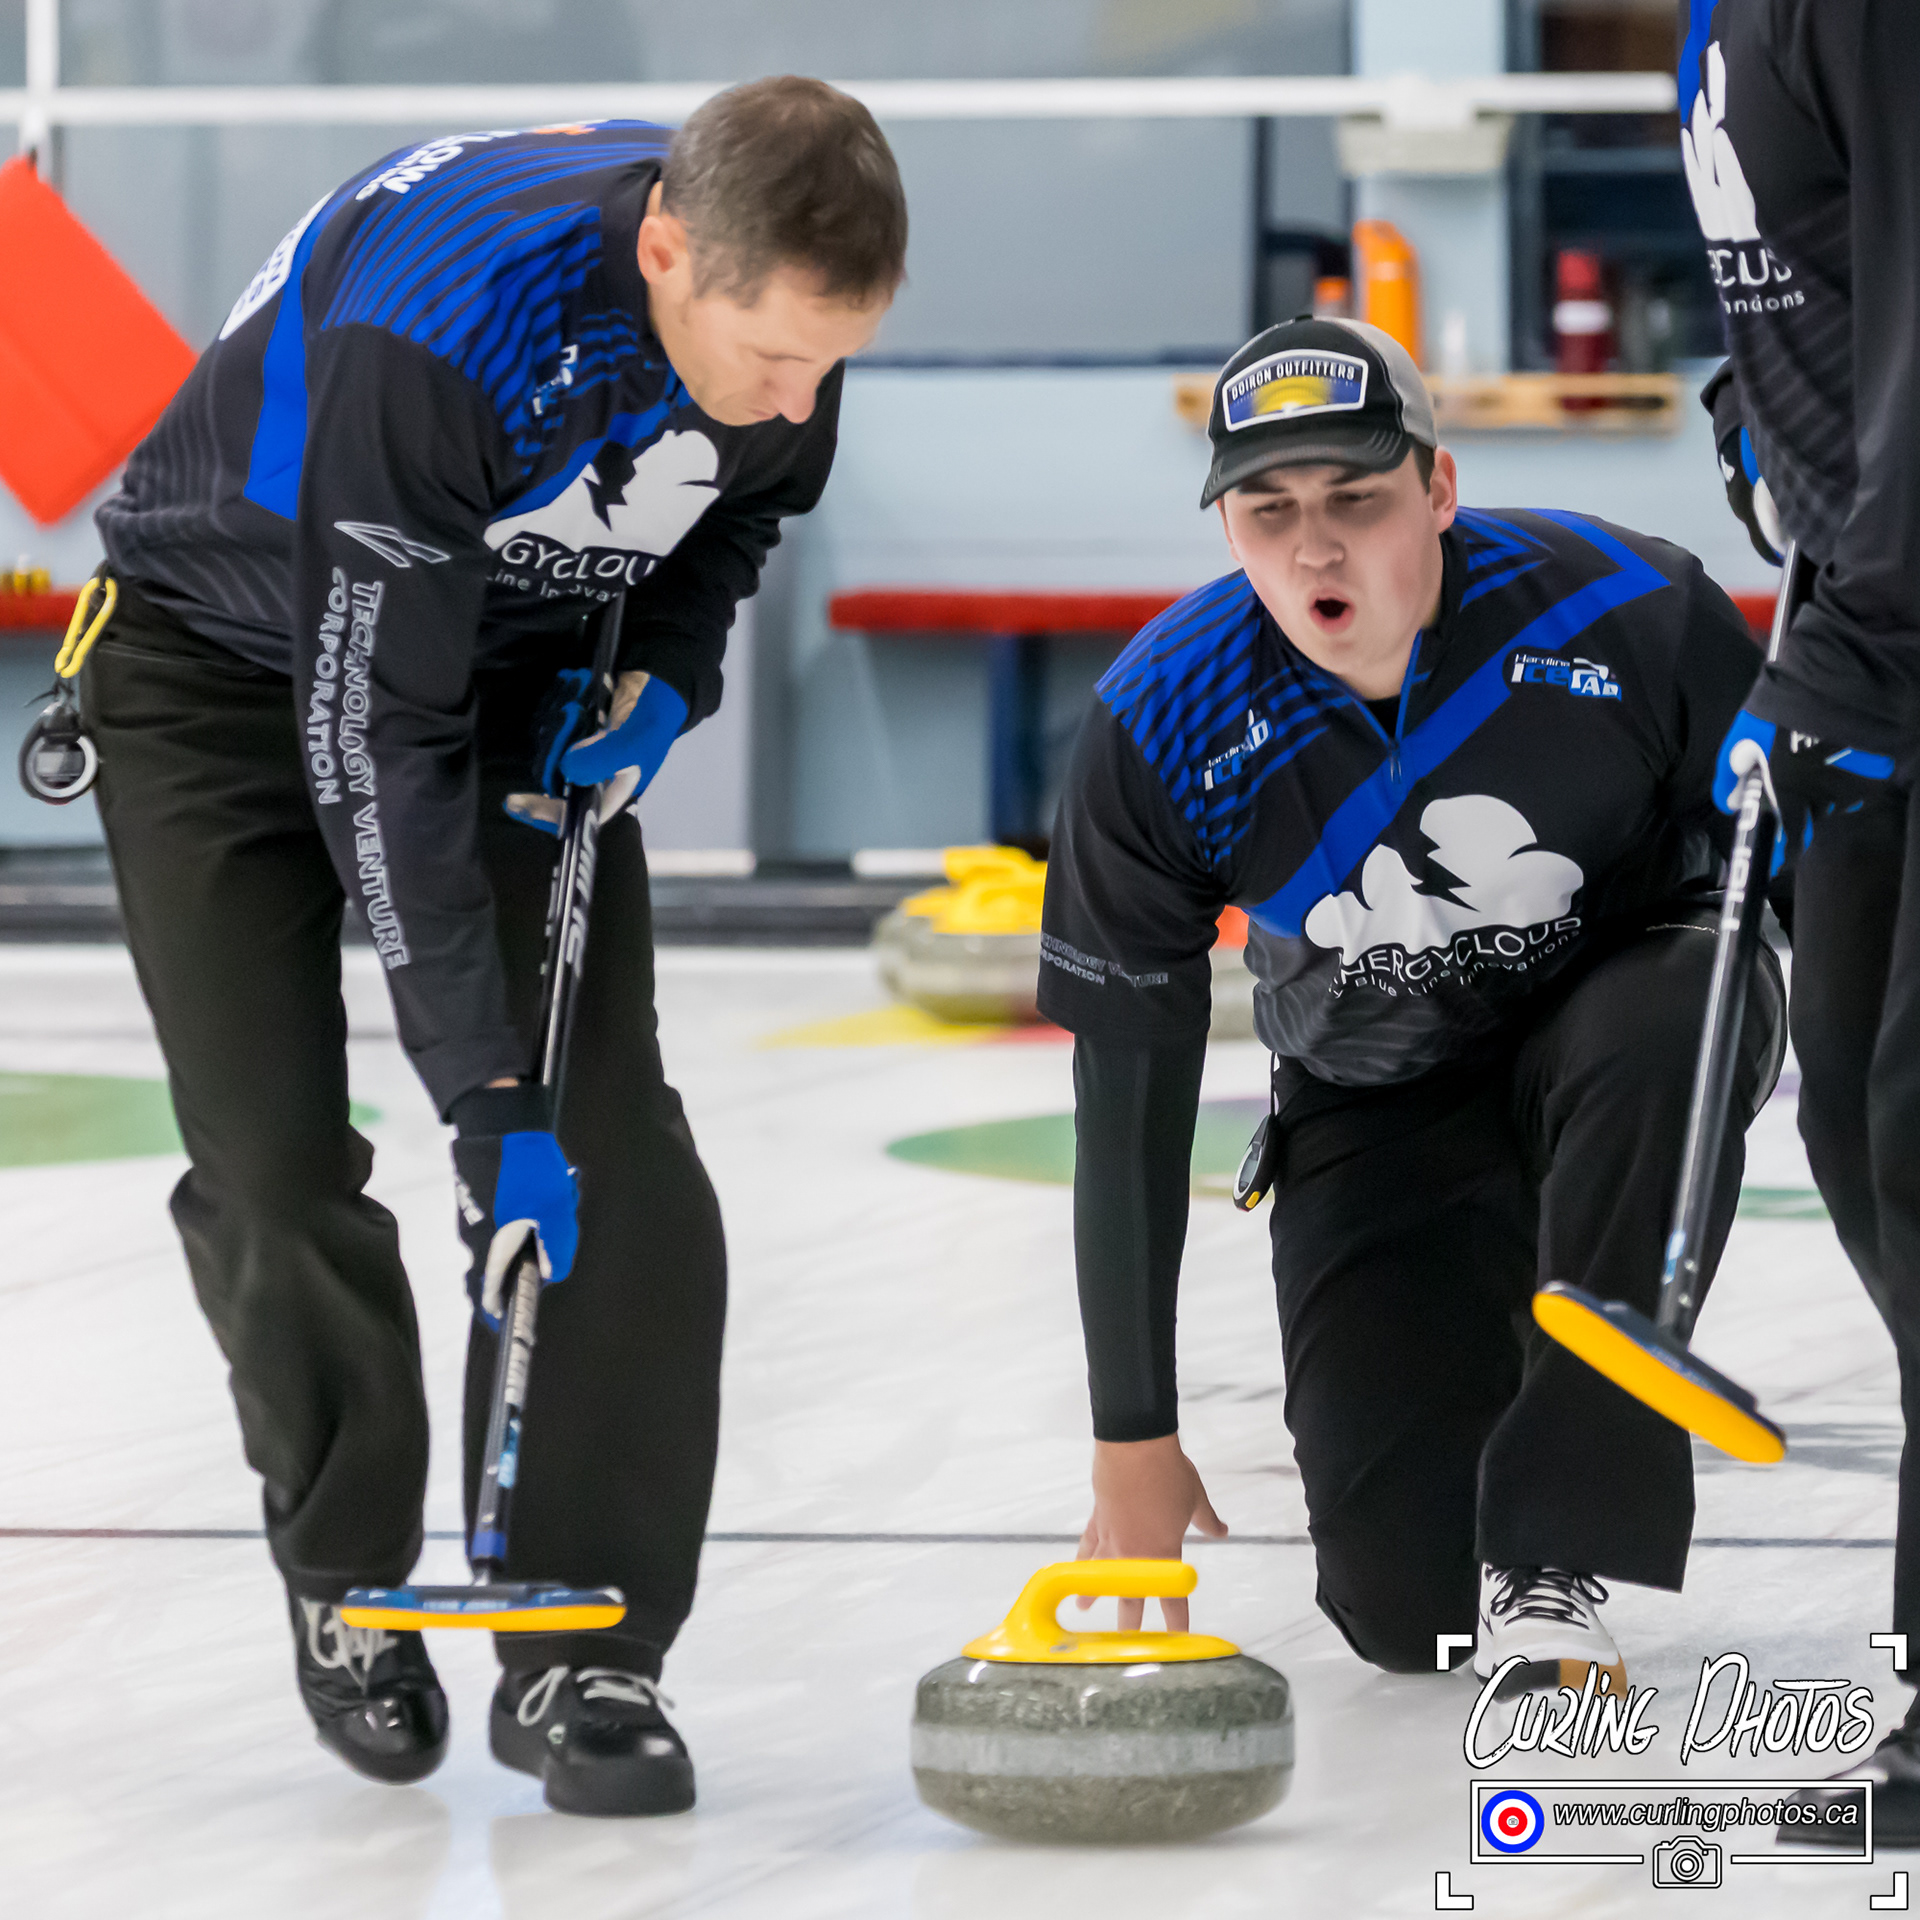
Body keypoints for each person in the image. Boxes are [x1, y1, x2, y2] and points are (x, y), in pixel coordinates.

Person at [79, 79, 905, 1815]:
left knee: (616, 1149)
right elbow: (378, 749)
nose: (801, 397)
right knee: (272, 1166)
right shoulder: (441, 332)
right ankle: (344, 1578)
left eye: (833, 360)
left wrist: (669, 667)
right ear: (666, 253)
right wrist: (482, 1102)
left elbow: (740, 507)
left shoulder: (782, 302)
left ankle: (585, 1642)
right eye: (776, 357)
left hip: (521, 664)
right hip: (223, 668)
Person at [1039, 316, 1782, 1698]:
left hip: (1633, 1013)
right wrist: (1132, 1438)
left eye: (1356, 500)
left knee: (1677, 1005)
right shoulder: (1160, 726)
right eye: (1269, 513)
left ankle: (1558, 1546)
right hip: (1376, 1092)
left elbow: (1807, 889)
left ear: (1439, 489)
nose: (1314, 551)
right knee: (1406, 1617)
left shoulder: (1627, 611)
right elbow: (1127, 1100)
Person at [1676, 1, 1920, 1841]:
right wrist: (1752, 421)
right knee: (1854, 1128)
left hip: (1892, 635)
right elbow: (1810, 283)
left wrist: (1836, 651)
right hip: (1876, 626)